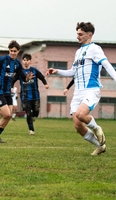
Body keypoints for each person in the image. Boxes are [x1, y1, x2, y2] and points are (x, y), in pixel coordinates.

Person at [46, 22, 116, 155]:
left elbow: (107, 65)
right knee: (78, 125)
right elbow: (73, 72)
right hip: (78, 92)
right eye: (77, 34)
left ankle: (97, 128)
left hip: (91, 90)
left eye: (80, 34)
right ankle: (100, 146)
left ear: (89, 35)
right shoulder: (78, 52)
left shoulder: (95, 49)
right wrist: (57, 71)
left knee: (81, 114)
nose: (77, 36)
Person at [12, 53, 49, 135]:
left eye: (27, 60)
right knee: (28, 112)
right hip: (25, 96)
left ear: (30, 61)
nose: (25, 62)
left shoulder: (34, 70)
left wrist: (45, 84)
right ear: (22, 61)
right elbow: (13, 80)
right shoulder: (20, 71)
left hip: (35, 95)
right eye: (24, 60)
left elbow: (41, 77)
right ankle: (31, 130)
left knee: (36, 111)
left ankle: (34, 117)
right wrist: (11, 87)